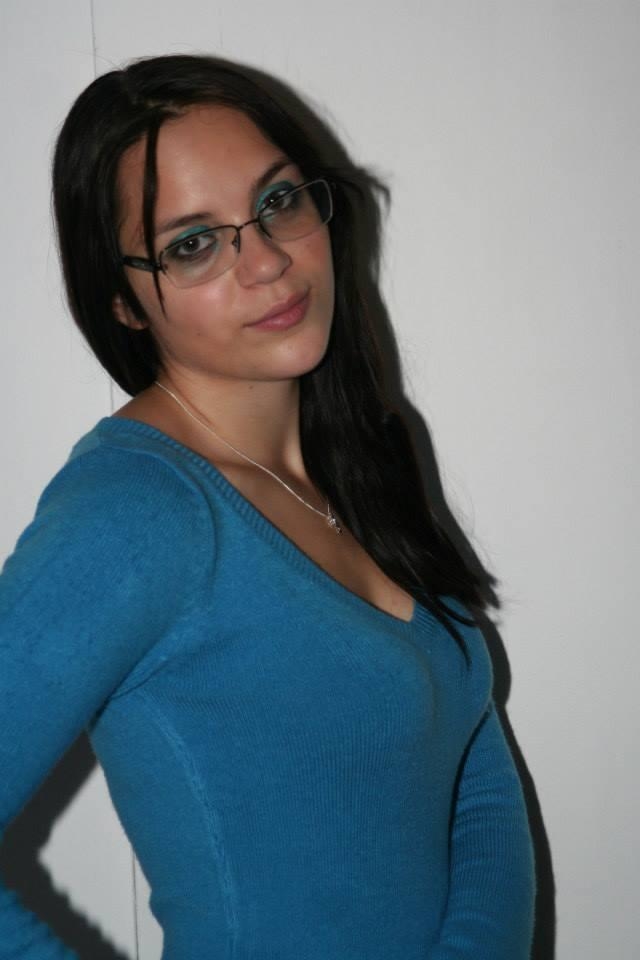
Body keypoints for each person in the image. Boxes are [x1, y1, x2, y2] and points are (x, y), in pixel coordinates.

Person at [0, 54, 535, 959]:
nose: (270, 261)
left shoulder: (369, 453)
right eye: (192, 244)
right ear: (122, 301)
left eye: (278, 201)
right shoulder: (134, 516)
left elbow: (466, 746)